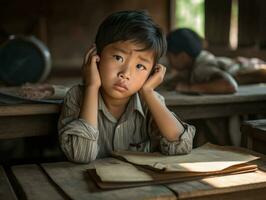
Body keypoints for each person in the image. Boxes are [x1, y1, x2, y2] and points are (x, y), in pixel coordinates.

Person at [58, 10, 196, 163]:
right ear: (95, 56)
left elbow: (182, 146)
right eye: (118, 57)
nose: (126, 73)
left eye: (140, 66)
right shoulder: (76, 97)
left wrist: (148, 92)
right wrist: (91, 86)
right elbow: (81, 155)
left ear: (151, 73)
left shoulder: (149, 101)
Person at [165, 28, 266, 94]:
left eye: (169, 57)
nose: (168, 61)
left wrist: (188, 88)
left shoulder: (201, 67)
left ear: (182, 56)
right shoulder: (195, 63)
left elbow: (229, 86)